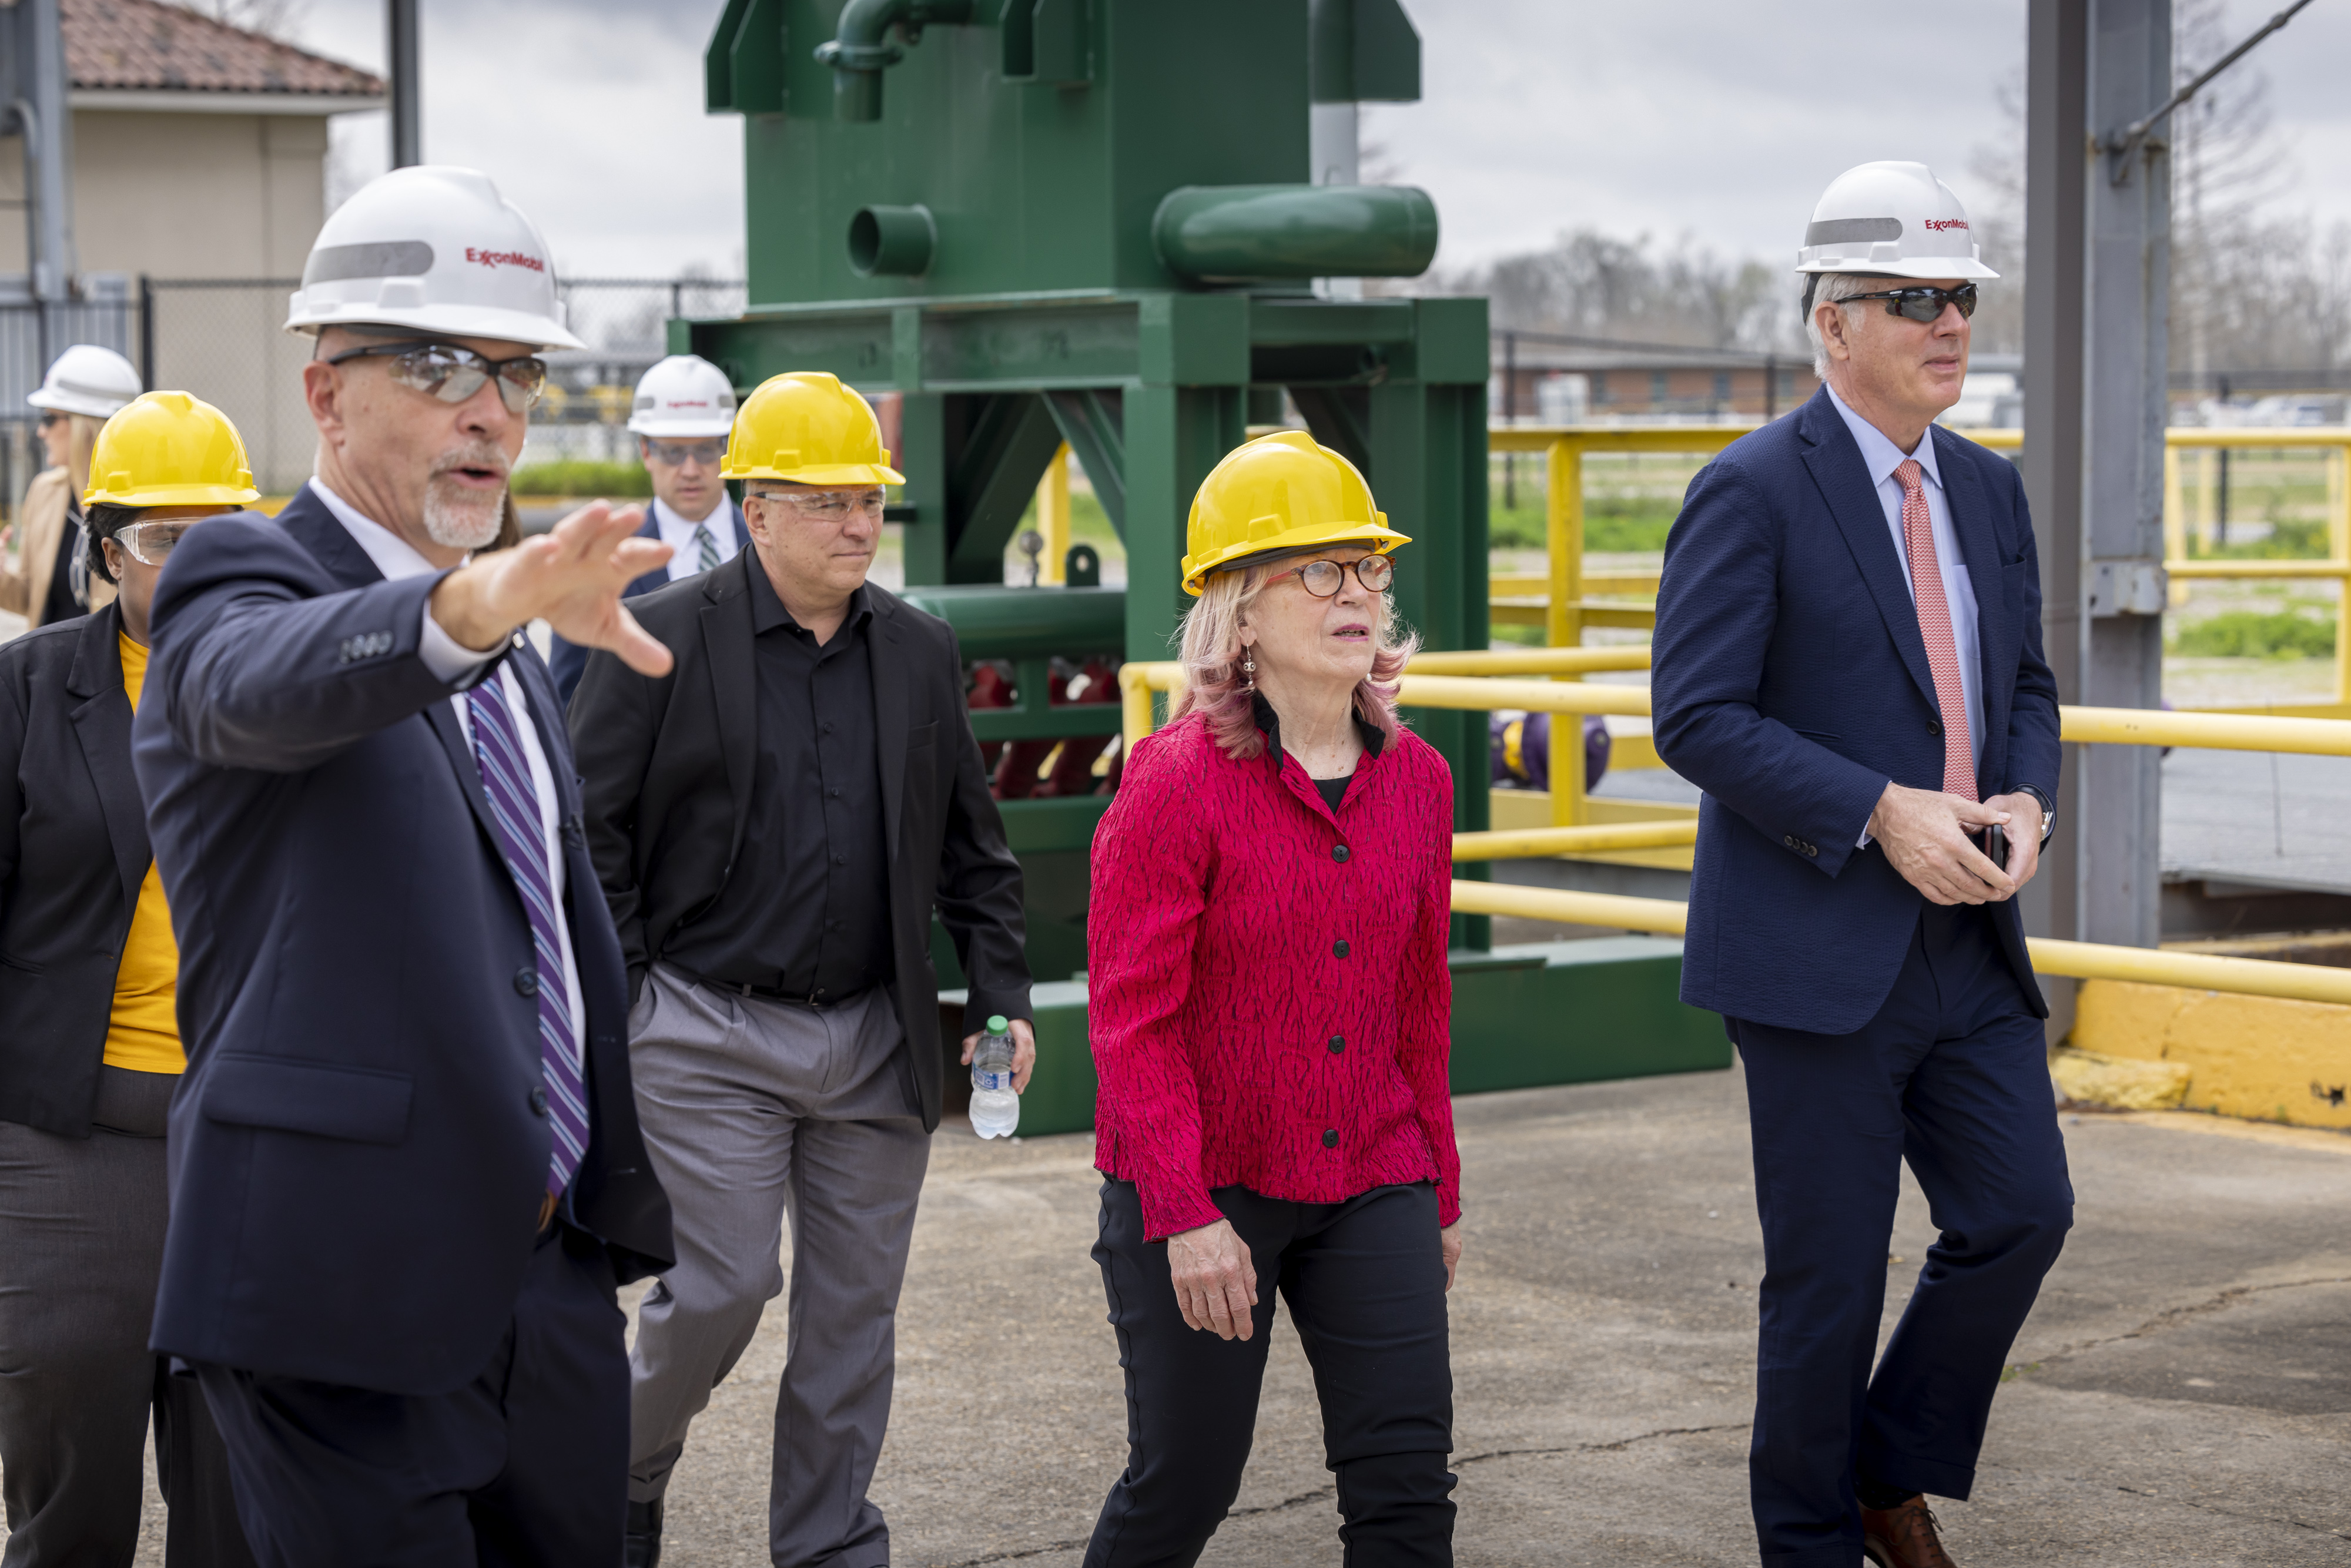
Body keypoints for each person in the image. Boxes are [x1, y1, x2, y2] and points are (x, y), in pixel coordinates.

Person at [130, 164, 676, 1567]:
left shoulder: (515, 649)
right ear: (326, 393)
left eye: (513, 371)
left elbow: (535, 931)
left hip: (544, 1284)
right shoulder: (242, 580)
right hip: (338, 1290)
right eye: (437, 365)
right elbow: (260, 683)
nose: (488, 407)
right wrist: (474, 604)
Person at [1650, 161, 2067, 1568]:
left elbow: (2025, 684)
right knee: (1825, 1281)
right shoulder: (1751, 491)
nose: (1947, 324)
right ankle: (1808, 1541)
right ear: (1831, 323)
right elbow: (1694, 716)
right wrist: (1880, 808)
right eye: (1912, 300)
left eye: (1957, 298)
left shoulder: (1989, 492)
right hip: (1818, 949)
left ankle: (1884, 1467)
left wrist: (2025, 797)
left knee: (2021, 1213)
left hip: (1967, 943)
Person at [570, 370, 1033, 1568]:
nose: (855, 525)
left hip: (871, 1038)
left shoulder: (920, 651)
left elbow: (971, 847)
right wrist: (625, 999)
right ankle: (616, 1472)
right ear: (755, 506)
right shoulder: (661, 633)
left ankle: (827, 1543)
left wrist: (998, 1000)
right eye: (826, 502)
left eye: (867, 502)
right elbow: (589, 829)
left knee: (850, 1323)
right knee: (720, 1288)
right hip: (704, 1030)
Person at [1081, 429, 1463, 1566]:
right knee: (1183, 1489)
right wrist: (1188, 1213)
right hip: (1207, 1183)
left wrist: (1436, 1185)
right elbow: (1130, 1021)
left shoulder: (1420, 781)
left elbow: (1420, 1002)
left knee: (1407, 1488)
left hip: (1374, 1171)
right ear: (1239, 614)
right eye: (1319, 570)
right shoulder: (1174, 780)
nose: (1357, 593)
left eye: (1368, 569)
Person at [0, 391, 259, 1566]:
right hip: (74, 1133)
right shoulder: (28, 689)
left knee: (243, 1488)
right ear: (108, 553)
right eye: (166, 538)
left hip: (257, 1131)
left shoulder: (298, 697)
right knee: (69, 1478)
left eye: (223, 535)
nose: (197, 564)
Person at [549, 353, 749, 705]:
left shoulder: (770, 543)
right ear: (646, 452)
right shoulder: (602, 562)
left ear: (728, 449)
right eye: (672, 452)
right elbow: (569, 702)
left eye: (705, 450)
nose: (690, 470)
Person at [0, 344, 142, 628]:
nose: (42, 431)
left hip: (116, 671)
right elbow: (34, 602)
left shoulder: (140, 501)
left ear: (86, 425)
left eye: (50, 418)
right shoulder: (44, 492)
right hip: (51, 671)